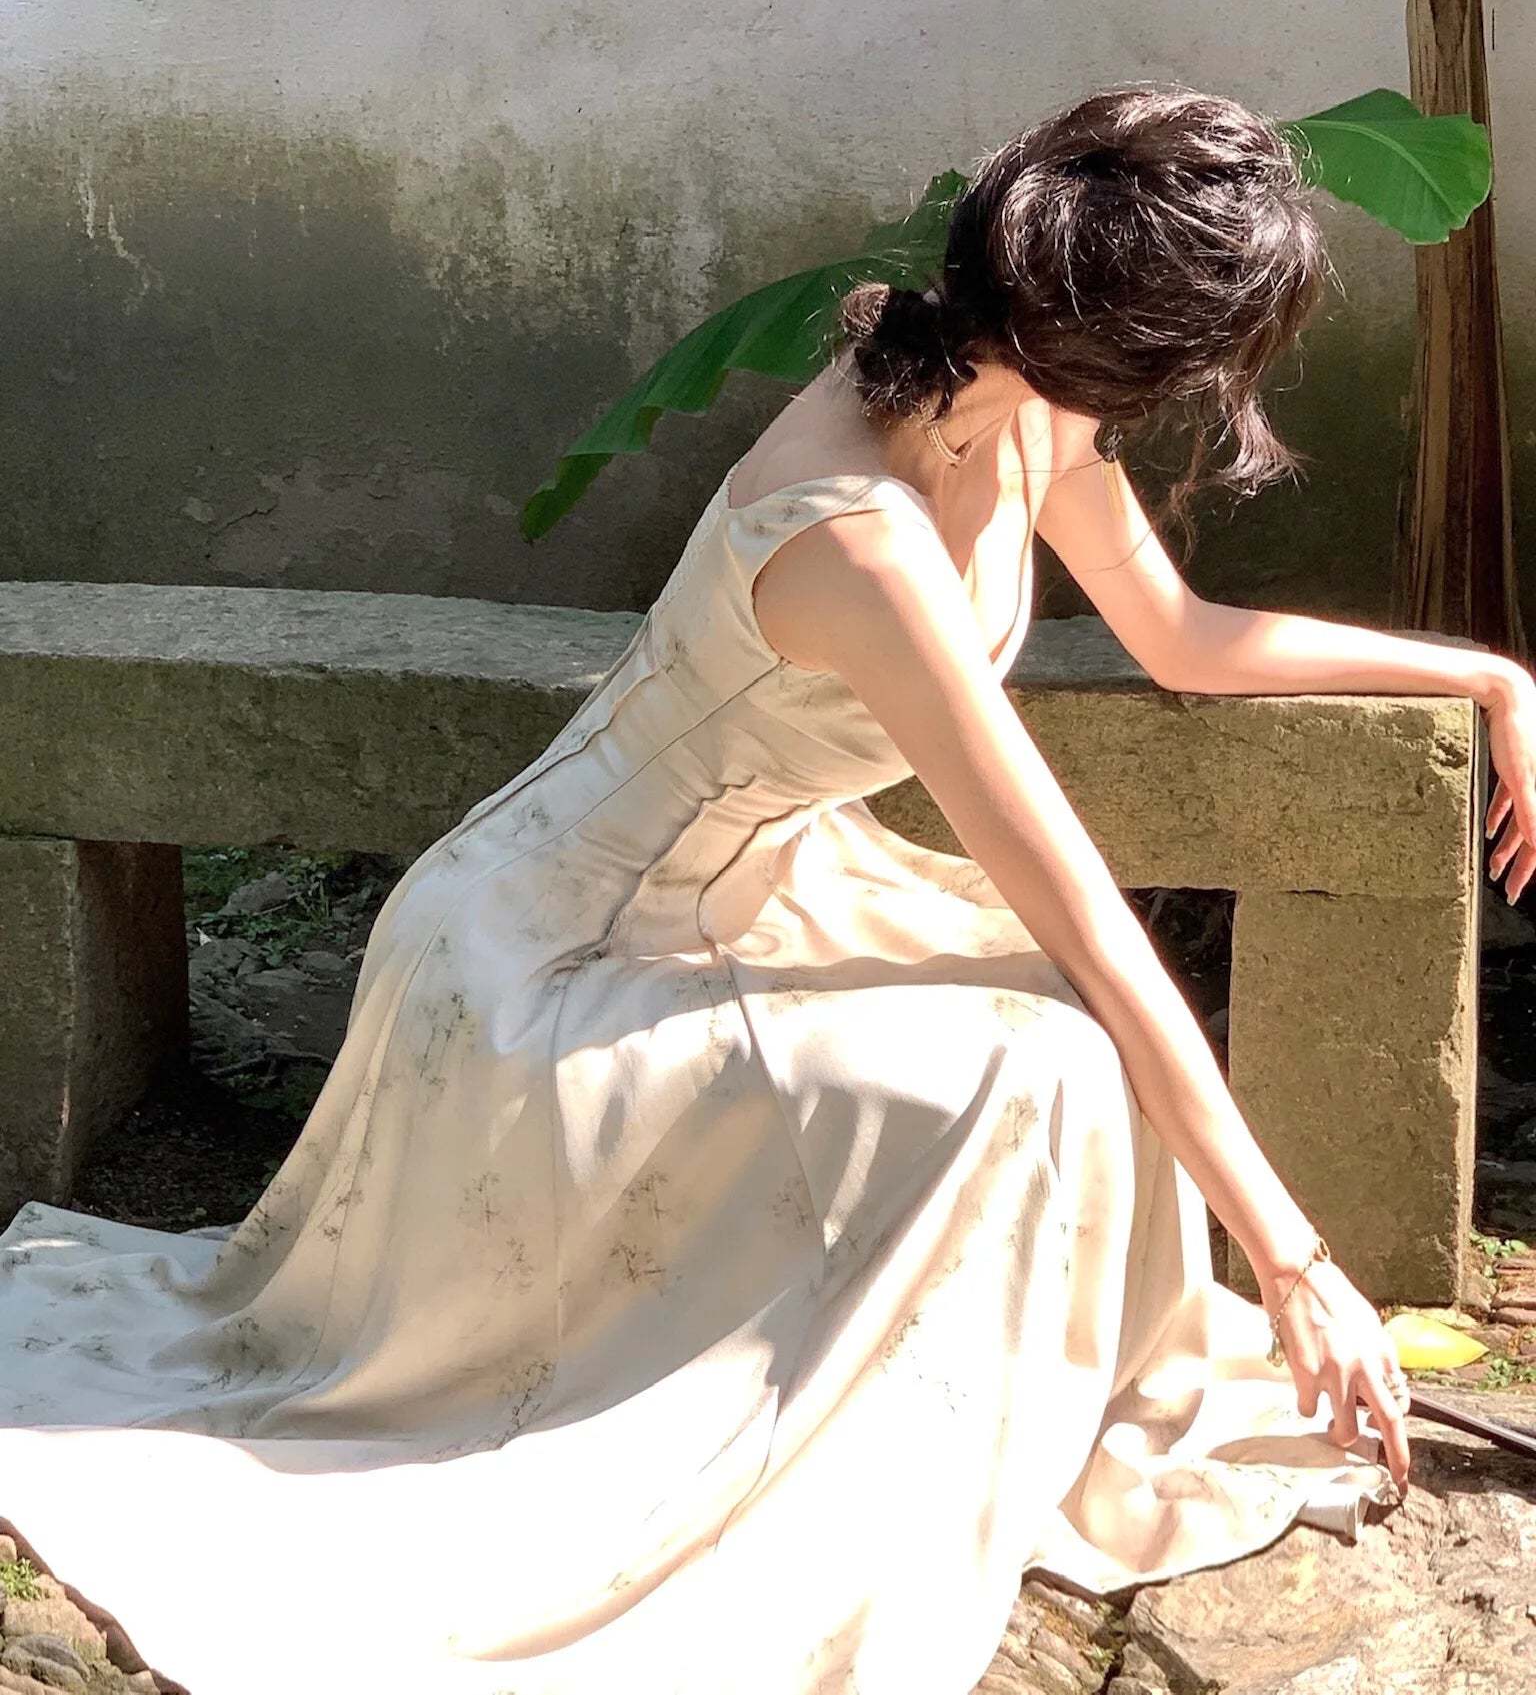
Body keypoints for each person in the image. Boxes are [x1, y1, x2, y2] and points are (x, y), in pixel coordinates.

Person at [2, 83, 1533, 1695]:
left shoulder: (1016, 395)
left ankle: (1015, 1402)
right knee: (1046, 1052)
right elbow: (1088, 913)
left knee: (1064, 1031)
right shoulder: (860, 538)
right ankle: (864, 1434)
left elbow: (1183, 640)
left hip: (750, 892)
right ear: (1119, 348)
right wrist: (1294, 1260)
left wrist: (1488, 674)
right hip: (552, 960)